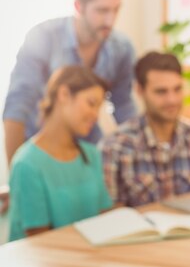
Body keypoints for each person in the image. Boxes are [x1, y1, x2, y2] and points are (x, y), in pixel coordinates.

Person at [3, 0, 136, 165]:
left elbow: (124, 108)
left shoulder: (122, 48)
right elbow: (17, 107)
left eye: (116, 10)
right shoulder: (43, 38)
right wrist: (16, 173)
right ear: (78, 6)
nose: (110, 20)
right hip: (40, 154)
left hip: (87, 153)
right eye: (102, 10)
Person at [99, 51, 190, 207]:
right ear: (140, 90)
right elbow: (109, 215)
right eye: (161, 92)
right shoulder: (115, 147)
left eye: (177, 89)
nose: (172, 100)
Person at [8, 65, 113, 241]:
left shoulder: (91, 155)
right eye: (91, 103)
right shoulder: (27, 164)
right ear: (64, 94)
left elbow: (104, 218)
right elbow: (40, 242)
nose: (95, 115)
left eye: (99, 107)